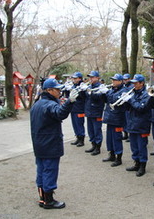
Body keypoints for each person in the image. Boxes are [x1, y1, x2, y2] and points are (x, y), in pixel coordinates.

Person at [30, 78, 79, 209]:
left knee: (41, 170)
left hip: (39, 144)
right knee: (50, 171)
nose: (59, 91)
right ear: (49, 90)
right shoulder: (49, 105)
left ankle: (42, 198)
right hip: (50, 143)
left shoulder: (37, 104)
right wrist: (70, 102)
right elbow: (60, 114)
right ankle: (49, 200)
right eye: (57, 89)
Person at [123, 74, 152, 177]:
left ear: (142, 83)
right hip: (132, 123)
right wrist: (125, 100)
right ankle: (136, 163)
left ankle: (142, 166)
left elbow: (140, 108)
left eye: (136, 83)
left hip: (142, 124)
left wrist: (130, 100)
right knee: (134, 146)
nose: (133, 85)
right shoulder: (132, 93)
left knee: (141, 146)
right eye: (133, 83)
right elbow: (128, 108)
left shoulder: (146, 94)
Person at [101, 74, 127, 167]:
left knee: (116, 138)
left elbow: (116, 100)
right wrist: (103, 93)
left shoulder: (124, 90)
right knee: (109, 138)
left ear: (120, 81)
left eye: (115, 80)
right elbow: (106, 101)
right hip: (110, 117)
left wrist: (107, 92)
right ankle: (111, 154)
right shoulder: (112, 89)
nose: (113, 82)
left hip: (117, 118)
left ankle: (118, 158)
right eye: (112, 80)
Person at [84, 71, 105, 156]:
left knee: (97, 130)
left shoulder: (101, 87)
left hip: (96, 111)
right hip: (89, 111)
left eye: (92, 77)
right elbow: (84, 97)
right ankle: (93, 145)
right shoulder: (89, 86)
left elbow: (99, 97)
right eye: (90, 77)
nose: (91, 79)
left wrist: (91, 93)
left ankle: (98, 147)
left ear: (97, 78)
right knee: (90, 130)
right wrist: (83, 91)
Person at [69, 72, 87, 147]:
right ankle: (77, 137)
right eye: (73, 78)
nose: (74, 80)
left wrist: (79, 91)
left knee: (79, 124)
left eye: (75, 78)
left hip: (80, 108)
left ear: (80, 79)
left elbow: (83, 97)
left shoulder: (83, 87)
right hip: (73, 108)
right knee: (75, 124)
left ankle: (81, 139)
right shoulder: (74, 86)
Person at [122, 73, 133, 142]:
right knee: (124, 121)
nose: (125, 81)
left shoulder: (131, 86)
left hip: (129, 106)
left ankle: (130, 135)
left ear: (129, 79)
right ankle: (125, 133)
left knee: (129, 121)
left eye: (126, 79)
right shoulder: (124, 86)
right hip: (124, 106)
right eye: (124, 79)